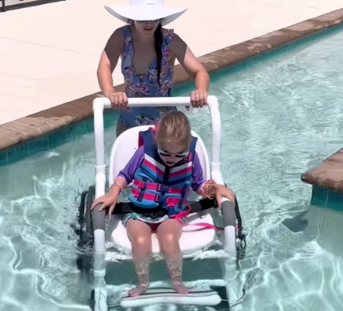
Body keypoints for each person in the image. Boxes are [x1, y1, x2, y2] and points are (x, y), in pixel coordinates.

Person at [91, 111, 235, 297]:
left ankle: (177, 282)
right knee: (141, 241)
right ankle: (143, 283)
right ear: (157, 143)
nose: (172, 159)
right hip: (138, 211)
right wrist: (113, 192)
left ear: (187, 148)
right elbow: (125, 175)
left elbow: (199, 185)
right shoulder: (144, 153)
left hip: (172, 213)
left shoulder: (191, 159)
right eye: (165, 153)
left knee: (168, 239)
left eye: (179, 155)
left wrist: (215, 189)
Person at [97, 0, 211, 137]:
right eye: (143, 18)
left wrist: (201, 90)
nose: (149, 23)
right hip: (129, 123)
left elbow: (199, 71)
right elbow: (105, 65)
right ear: (133, 17)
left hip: (166, 128)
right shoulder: (121, 37)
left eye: (154, 18)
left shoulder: (171, 41)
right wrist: (110, 92)